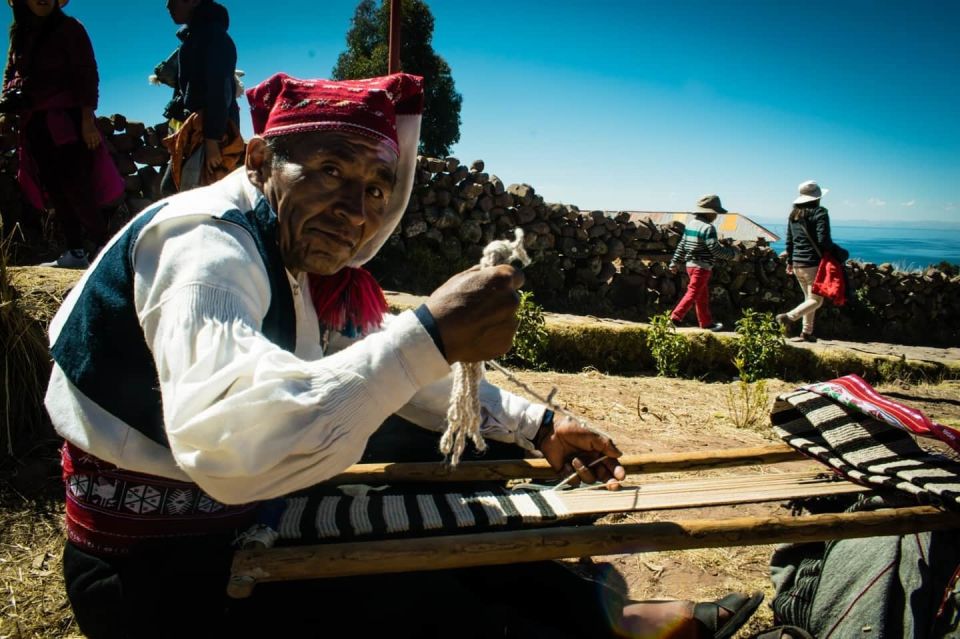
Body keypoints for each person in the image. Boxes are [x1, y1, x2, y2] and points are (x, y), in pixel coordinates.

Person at [46, 72, 759, 638]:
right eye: (330, 170)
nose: (357, 212)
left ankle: (598, 612)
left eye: (375, 189)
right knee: (423, 597)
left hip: (236, 523)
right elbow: (227, 438)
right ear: (264, 159)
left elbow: (390, 372)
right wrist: (430, 334)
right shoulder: (205, 249)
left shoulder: (295, 261)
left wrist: (538, 425)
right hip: (156, 578)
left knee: (460, 481)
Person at [0, 0, 123, 268]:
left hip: (66, 121)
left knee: (77, 186)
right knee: (54, 188)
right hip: (33, 123)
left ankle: (106, 249)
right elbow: (10, 71)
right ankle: (76, 251)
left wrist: (87, 120)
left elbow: (87, 75)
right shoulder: (19, 34)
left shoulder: (70, 28)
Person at [159, 0, 242, 195]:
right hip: (200, 130)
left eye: (173, 0)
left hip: (210, 132)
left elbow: (219, 88)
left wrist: (212, 140)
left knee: (188, 193)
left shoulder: (212, 36)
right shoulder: (196, 37)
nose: (168, 6)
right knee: (179, 190)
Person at [669, 194, 736, 331]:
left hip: (690, 266)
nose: (716, 216)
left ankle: (706, 323)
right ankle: (674, 318)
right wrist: (732, 255)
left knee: (702, 296)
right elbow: (714, 249)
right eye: (715, 213)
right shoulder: (708, 228)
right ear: (709, 213)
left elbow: (682, 245)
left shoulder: (691, 225)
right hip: (702, 267)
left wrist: (674, 262)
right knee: (693, 292)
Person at [776, 180, 832, 342]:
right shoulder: (820, 213)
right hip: (813, 264)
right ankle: (788, 317)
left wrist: (790, 262)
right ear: (817, 198)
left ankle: (807, 333)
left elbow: (789, 241)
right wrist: (838, 253)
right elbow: (823, 240)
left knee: (809, 299)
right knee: (816, 300)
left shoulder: (794, 215)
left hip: (798, 264)